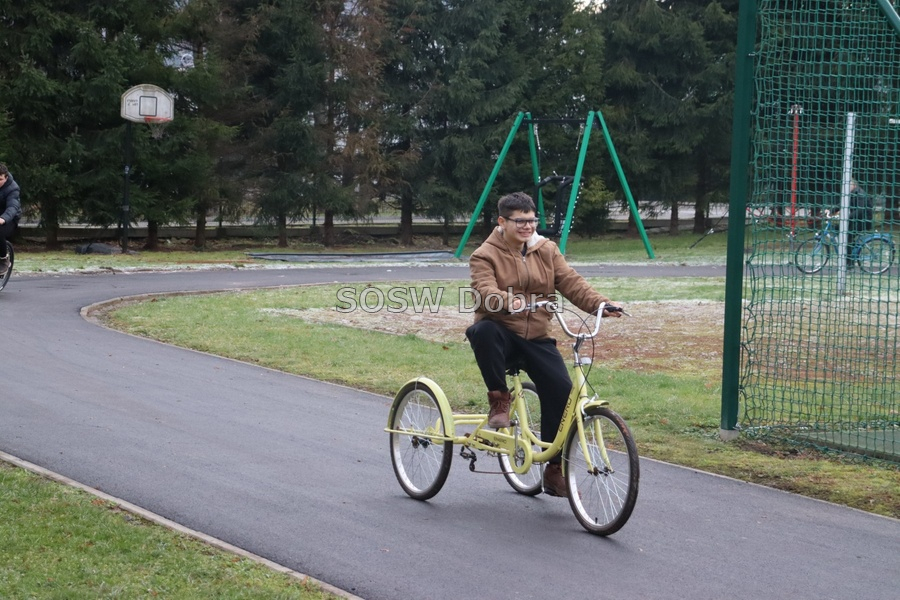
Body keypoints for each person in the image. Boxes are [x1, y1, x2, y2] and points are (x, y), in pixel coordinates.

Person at [465, 191, 622, 497]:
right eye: (520, 221)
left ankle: (553, 468)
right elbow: (483, 289)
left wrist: (601, 305)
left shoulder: (547, 250)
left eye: (532, 220)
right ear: (502, 222)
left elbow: (571, 282)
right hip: (502, 332)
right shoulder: (484, 254)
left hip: (537, 336)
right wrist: (508, 301)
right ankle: (499, 399)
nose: (528, 226)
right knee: (482, 331)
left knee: (563, 394)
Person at [0, 163, 22, 275]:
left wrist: (3, 218)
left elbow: (12, 207)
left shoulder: (13, 188)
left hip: (9, 219)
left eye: (0, 179)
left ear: (6, 177)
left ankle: (3, 258)